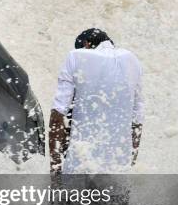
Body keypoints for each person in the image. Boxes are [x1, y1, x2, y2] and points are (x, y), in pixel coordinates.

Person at [49, 29, 144, 175]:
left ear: (86, 44)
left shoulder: (76, 56)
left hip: (80, 166)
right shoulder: (133, 60)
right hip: (119, 168)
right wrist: (130, 160)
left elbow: (58, 114)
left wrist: (55, 171)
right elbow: (137, 120)